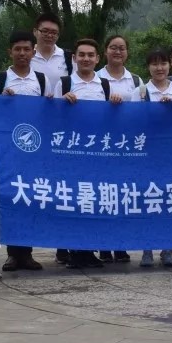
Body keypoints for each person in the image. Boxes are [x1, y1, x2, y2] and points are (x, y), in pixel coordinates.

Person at [54, 39, 124, 269]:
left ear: (97, 59)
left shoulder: (104, 85)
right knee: (74, 201)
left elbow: (111, 121)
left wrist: (115, 104)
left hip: (97, 156)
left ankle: (90, 249)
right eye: (81, 55)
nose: (86, 59)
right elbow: (51, 117)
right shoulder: (64, 83)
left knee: (93, 200)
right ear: (74, 58)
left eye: (90, 55)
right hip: (71, 154)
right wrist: (62, 103)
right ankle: (74, 250)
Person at [0, 30, 45, 272]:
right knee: (11, 199)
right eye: (17, 49)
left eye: (26, 49)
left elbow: (48, 113)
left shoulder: (42, 80)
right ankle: (12, 254)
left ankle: (27, 253)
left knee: (31, 199)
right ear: (9, 52)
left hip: (34, 152)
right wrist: (2, 100)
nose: (22, 53)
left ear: (33, 51)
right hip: (8, 152)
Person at [131, 48, 172, 268]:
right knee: (148, 201)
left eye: (163, 63)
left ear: (169, 66)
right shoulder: (141, 92)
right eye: (154, 64)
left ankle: (168, 248)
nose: (159, 68)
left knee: (170, 201)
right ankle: (147, 248)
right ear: (148, 67)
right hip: (147, 156)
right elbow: (133, 122)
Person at [95, 34, 143, 264]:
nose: (117, 52)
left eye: (122, 48)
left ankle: (121, 244)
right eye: (113, 47)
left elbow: (142, 112)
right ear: (105, 51)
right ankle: (104, 245)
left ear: (127, 52)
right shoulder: (95, 77)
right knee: (103, 195)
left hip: (126, 147)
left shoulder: (136, 80)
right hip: (101, 146)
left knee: (123, 195)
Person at [30, 12, 72, 265]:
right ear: (35, 31)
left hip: (63, 133)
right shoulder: (26, 54)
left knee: (64, 189)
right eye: (44, 31)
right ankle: (20, 252)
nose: (49, 35)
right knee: (31, 188)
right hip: (33, 134)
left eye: (53, 32)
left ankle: (64, 246)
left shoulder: (67, 58)